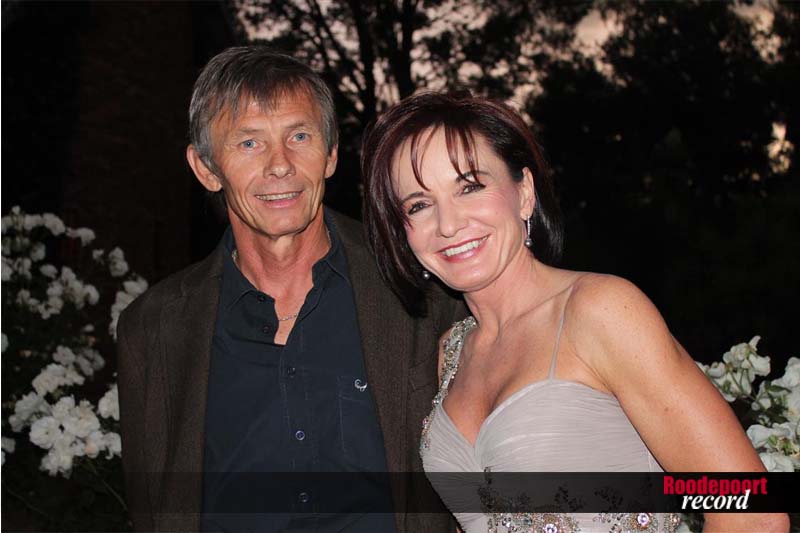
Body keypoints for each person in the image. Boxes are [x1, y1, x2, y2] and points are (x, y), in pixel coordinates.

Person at [361, 91, 789, 532]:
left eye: (470, 187)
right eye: (419, 205)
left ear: (524, 193)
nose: (448, 224)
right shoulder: (452, 351)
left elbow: (753, 515)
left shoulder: (600, 310)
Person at [116, 47, 463, 533]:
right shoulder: (152, 330)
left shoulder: (422, 287)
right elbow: (151, 511)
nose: (280, 165)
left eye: (299, 136)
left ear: (331, 154)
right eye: (249, 143)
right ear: (206, 168)